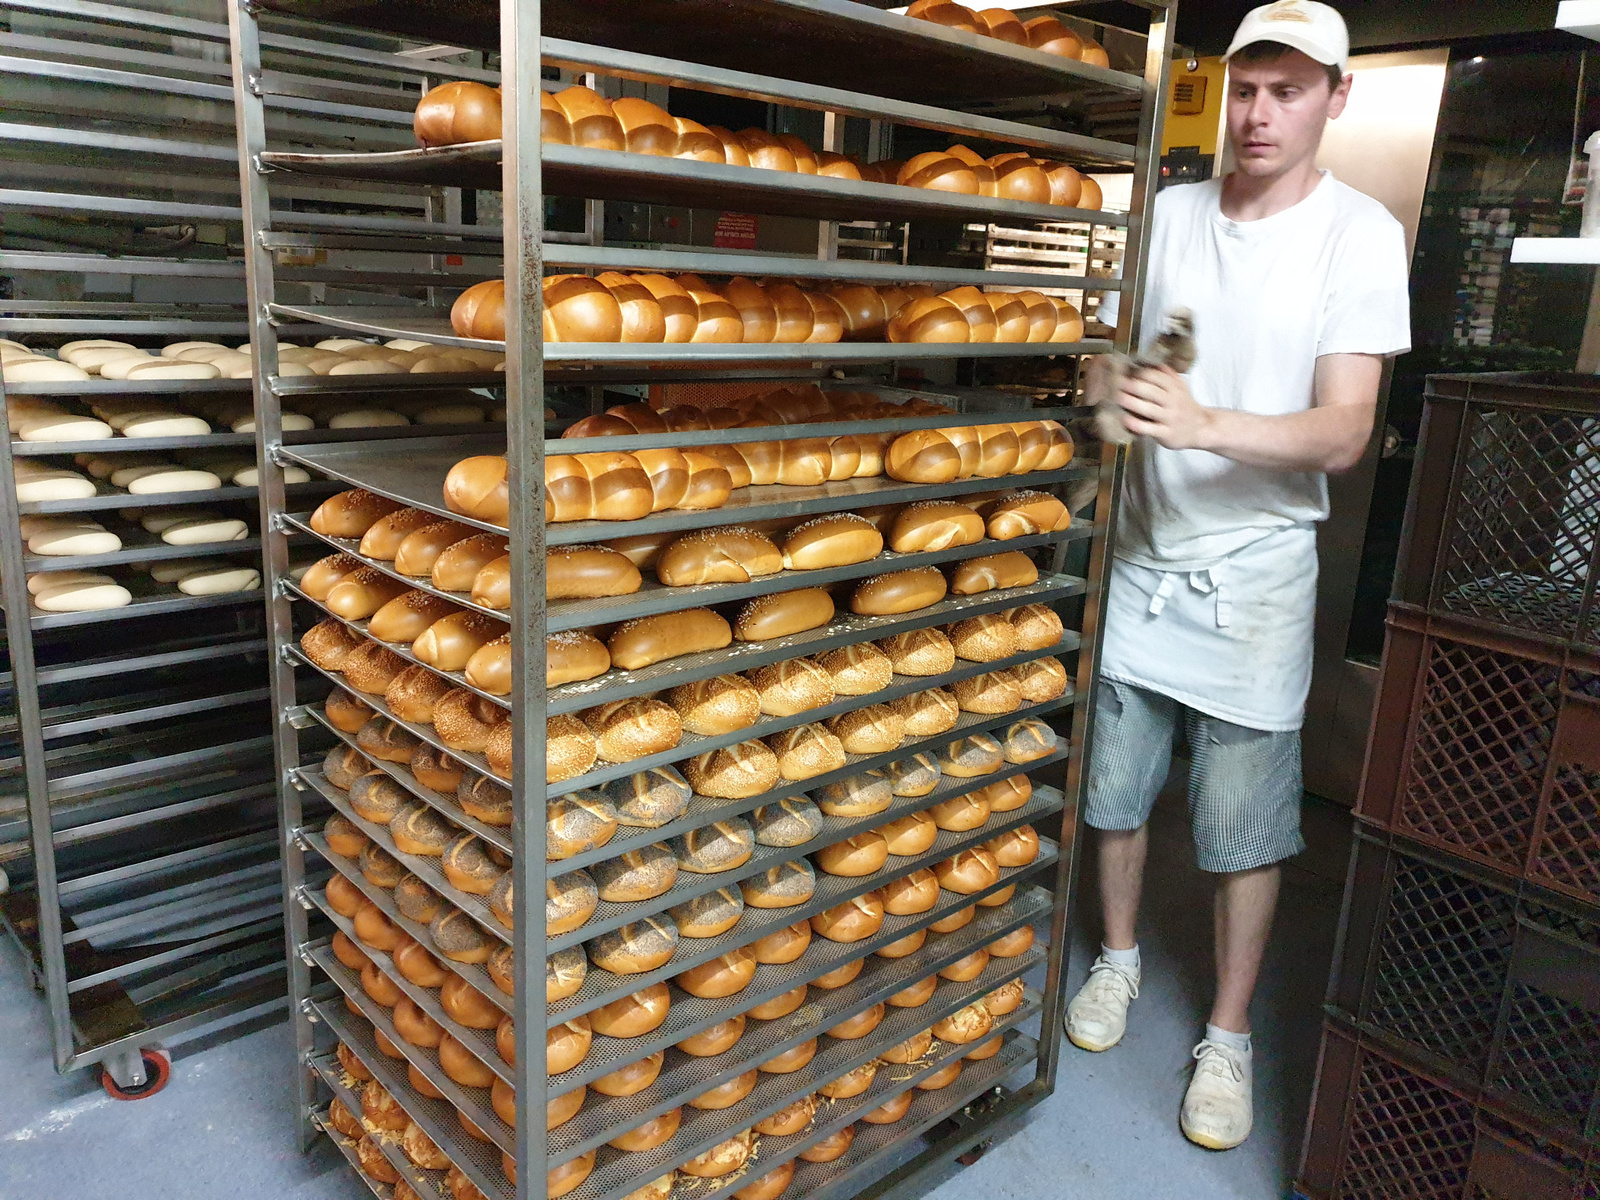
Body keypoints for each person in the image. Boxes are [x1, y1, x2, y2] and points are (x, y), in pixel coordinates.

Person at [1065, 0, 1411, 1152]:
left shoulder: (1356, 235)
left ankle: (1226, 1034)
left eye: (1289, 91)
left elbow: (1343, 430)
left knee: (1240, 828)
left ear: (1334, 98)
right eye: (1247, 88)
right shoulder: (1164, 214)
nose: (1259, 114)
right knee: (1112, 796)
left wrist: (1206, 421)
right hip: (1142, 560)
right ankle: (1115, 962)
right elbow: (1122, 357)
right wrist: (1105, 390)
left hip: (1255, 580)